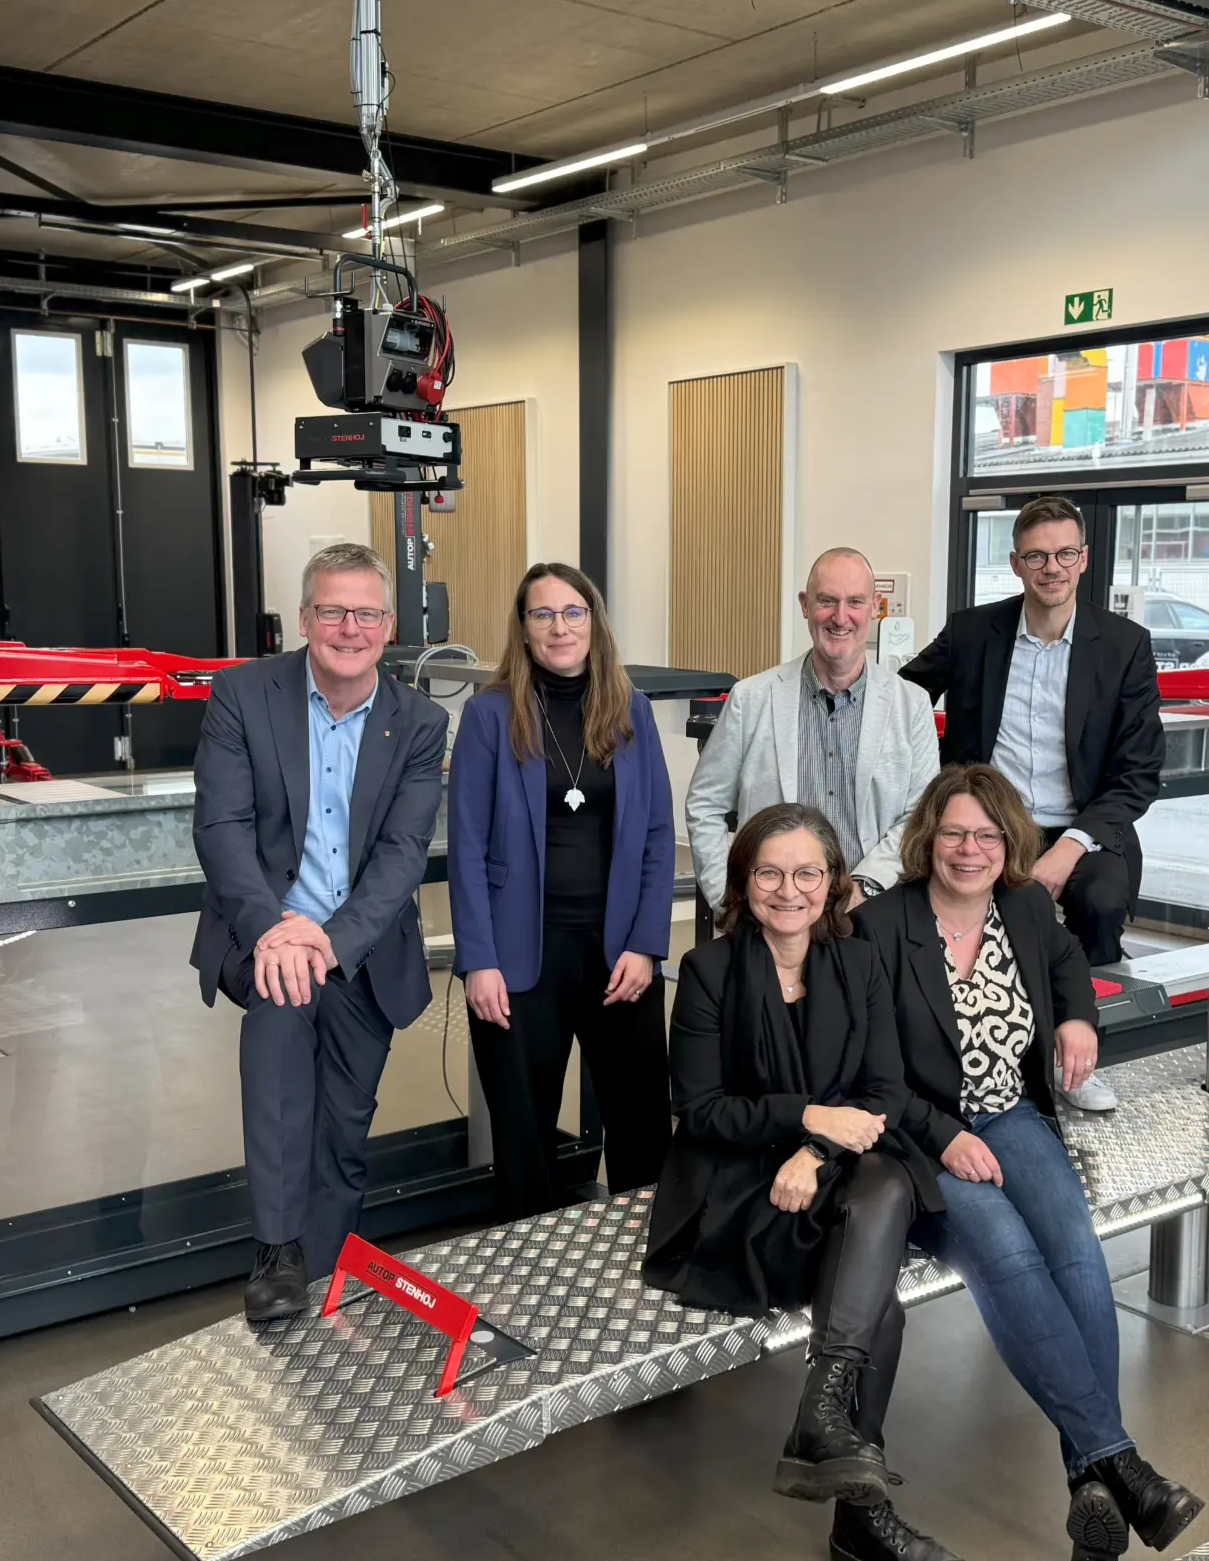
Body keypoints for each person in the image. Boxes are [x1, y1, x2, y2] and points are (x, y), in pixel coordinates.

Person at [853, 766, 1204, 1561]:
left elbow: (1069, 959)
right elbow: (868, 1071)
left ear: (1009, 841)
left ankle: (1094, 1478)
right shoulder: (880, 926)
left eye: (986, 834)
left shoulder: (1023, 908)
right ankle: (1120, 1465)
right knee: (1007, 1253)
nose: (969, 849)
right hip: (919, 1137)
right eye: (953, 832)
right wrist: (942, 1136)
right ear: (927, 838)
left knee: (1076, 1250)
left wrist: (1078, 1018)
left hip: (1009, 1114)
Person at [644, 803, 975, 1561]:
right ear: (742, 882)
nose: (787, 890)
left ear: (832, 884)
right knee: (878, 1295)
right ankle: (857, 1508)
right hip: (740, 1193)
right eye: (769, 872)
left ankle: (826, 1421)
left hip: (832, 1174)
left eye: (806, 873)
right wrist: (809, 1117)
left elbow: (884, 1089)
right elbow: (702, 1111)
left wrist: (817, 1148)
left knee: (886, 1183)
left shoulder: (859, 963)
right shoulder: (709, 971)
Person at [190, 542, 448, 1322]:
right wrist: (272, 933)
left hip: (359, 946)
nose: (349, 628)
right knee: (279, 1041)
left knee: (344, 1123)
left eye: (366, 614)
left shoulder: (419, 722)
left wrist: (330, 942)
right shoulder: (243, 695)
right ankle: (276, 1255)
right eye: (332, 611)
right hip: (266, 935)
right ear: (304, 619)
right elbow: (222, 825)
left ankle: (324, 1269)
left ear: (389, 625)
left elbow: (403, 854)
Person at [901, 497, 1162, 1112]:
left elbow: (1138, 773)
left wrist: (1068, 849)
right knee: (940, 903)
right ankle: (962, 1051)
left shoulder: (1123, 645)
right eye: (1038, 556)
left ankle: (1080, 1055)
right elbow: (902, 697)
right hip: (987, 822)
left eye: (1065, 554)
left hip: (1081, 828)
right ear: (1017, 563)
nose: (1053, 568)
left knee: (1099, 901)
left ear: (1084, 559)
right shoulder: (972, 633)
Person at [449, 562, 674, 1217]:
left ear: (593, 622)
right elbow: (466, 848)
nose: (559, 627)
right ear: (523, 629)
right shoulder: (489, 716)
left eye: (573, 612)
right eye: (542, 614)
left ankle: (645, 1248)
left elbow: (658, 834)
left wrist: (646, 945)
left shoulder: (631, 711)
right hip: (520, 958)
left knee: (641, 1124)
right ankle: (530, 1262)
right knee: (524, 1135)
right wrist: (479, 961)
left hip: (619, 955)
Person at [685, 547, 939, 910]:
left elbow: (920, 816)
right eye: (827, 601)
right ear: (805, 605)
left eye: (855, 601)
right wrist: (726, 899)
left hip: (872, 912)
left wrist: (862, 890)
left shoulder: (911, 705)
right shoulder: (751, 699)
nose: (841, 616)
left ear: (874, 607)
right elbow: (705, 805)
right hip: (774, 914)